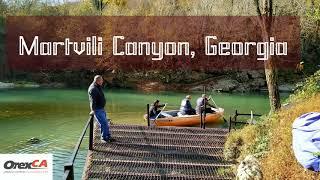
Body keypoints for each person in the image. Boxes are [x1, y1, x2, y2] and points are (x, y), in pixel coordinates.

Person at [88, 75, 114, 143]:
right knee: (104, 123)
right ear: (97, 81)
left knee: (106, 123)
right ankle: (104, 138)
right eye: (101, 80)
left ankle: (108, 136)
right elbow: (93, 101)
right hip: (97, 109)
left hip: (101, 108)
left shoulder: (97, 86)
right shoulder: (93, 89)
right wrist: (93, 110)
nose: (102, 81)